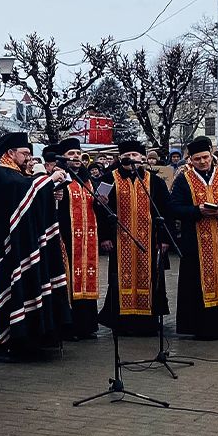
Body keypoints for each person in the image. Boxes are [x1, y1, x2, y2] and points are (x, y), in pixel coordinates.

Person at [0, 131, 72, 359]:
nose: (28, 159)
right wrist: (48, 180)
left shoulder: (15, 173)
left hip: (22, 245)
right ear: (10, 153)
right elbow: (21, 190)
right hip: (6, 246)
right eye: (24, 154)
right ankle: (3, 344)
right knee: (8, 291)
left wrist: (51, 193)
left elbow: (28, 190)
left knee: (23, 289)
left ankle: (27, 339)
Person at [168, 137, 218, 340]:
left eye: (205, 157)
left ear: (212, 156)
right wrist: (196, 210)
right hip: (195, 241)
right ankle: (199, 327)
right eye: (197, 159)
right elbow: (173, 208)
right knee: (195, 283)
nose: (202, 162)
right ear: (190, 160)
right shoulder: (183, 179)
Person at [96, 140, 172, 337]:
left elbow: (165, 211)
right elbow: (98, 210)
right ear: (121, 158)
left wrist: (164, 239)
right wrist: (104, 236)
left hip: (149, 240)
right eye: (128, 154)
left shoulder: (155, 182)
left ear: (143, 158)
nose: (132, 158)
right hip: (120, 240)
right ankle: (122, 322)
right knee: (119, 279)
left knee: (151, 278)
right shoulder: (107, 179)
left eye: (136, 155)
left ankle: (148, 322)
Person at [57, 137, 101, 340]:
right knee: (69, 281)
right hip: (67, 237)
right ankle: (70, 327)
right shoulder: (59, 178)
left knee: (87, 278)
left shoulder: (87, 179)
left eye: (78, 153)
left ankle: (87, 325)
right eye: (71, 154)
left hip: (87, 239)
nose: (76, 157)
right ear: (63, 158)